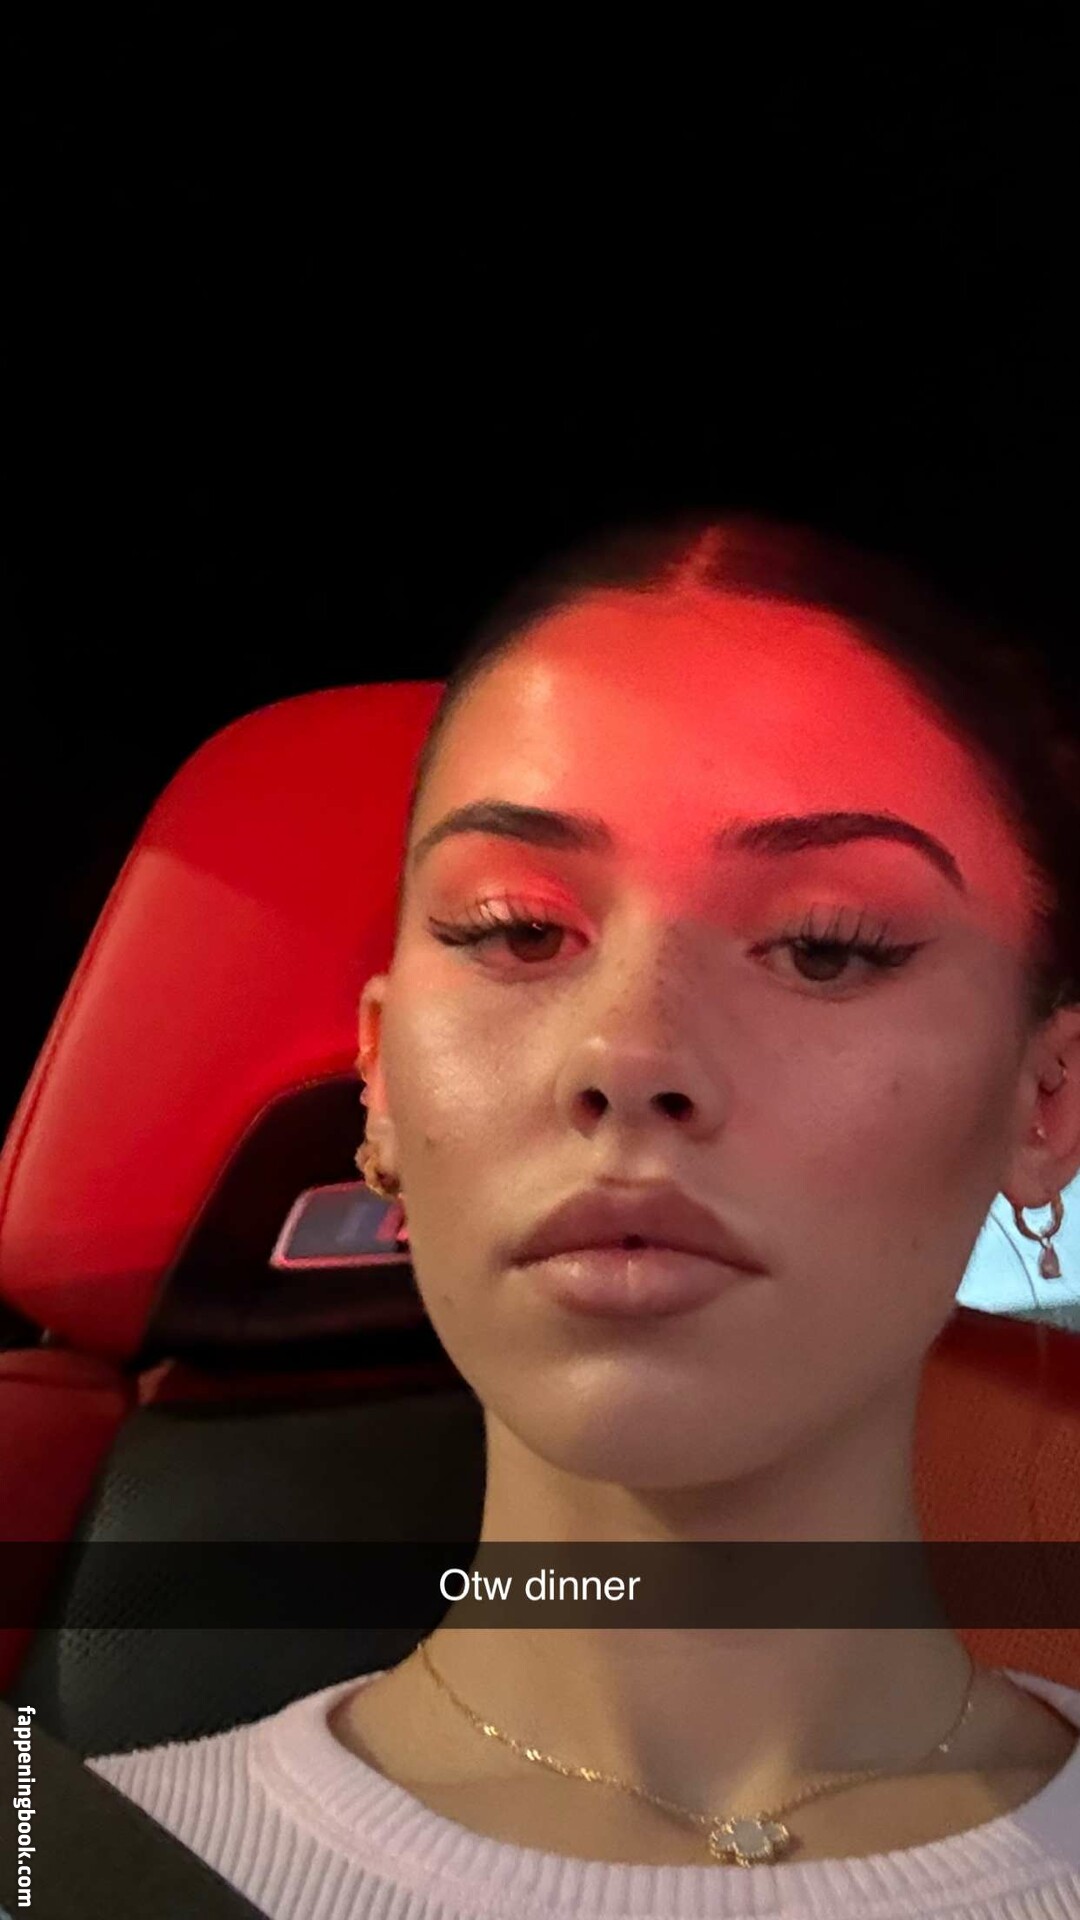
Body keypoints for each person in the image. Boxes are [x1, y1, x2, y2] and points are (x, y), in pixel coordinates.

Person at [88, 512, 1080, 1918]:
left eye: (824, 947)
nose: (630, 1053)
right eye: (517, 930)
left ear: (1047, 1102)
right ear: (381, 1080)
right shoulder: (59, 1862)